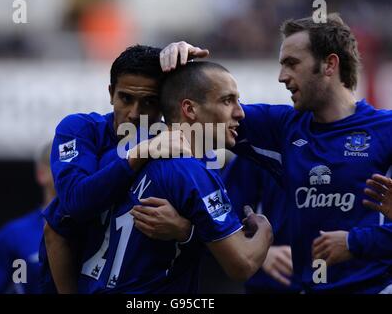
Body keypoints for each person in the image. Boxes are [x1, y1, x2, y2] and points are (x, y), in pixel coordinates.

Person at [153, 13, 392, 293]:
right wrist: (171, 63)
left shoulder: (385, 130)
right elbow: (195, 110)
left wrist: (355, 243)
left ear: (329, 64)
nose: (282, 77)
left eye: (292, 64)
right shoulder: (281, 128)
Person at [78, 61, 273, 293]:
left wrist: (187, 233)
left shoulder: (125, 154)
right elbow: (242, 265)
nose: (240, 113)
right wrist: (266, 230)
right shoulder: (191, 173)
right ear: (190, 109)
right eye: (227, 100)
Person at [40, 45, 192, 293]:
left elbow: (217, 227)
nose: (134, 113)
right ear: (111, 93)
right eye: (126, 98)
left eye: (149, 102)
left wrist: (185, 230)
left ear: (164, 102)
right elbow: (73, 205)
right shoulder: (80, 129)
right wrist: (141, 153)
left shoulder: (181, 148)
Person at [0, 142, 55, 294]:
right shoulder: (14, 236)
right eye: (59, 163)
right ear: (41, 174)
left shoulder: (97, 227)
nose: (68, 171)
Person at [221, 156, 301, 293]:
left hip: (336, 277)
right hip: (273, 281)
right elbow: (222, 216)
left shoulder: (344, 147)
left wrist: (350, 242)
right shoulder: (256, 147)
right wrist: (263, 253)